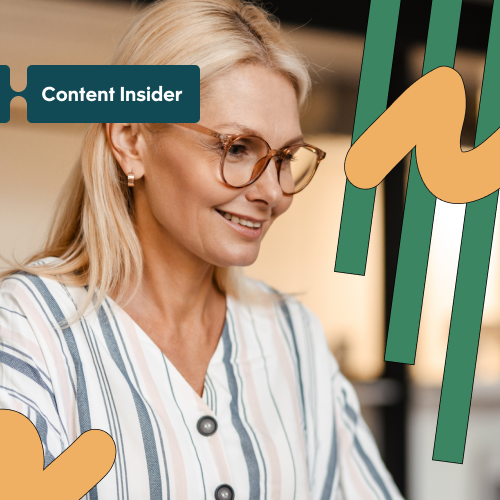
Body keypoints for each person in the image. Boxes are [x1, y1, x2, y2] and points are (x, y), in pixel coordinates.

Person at [0, 1, 404, 499]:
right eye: (237, 148)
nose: (274, 193)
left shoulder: (292, 336)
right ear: (131, 138)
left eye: (284, 158)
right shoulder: (28, 328)